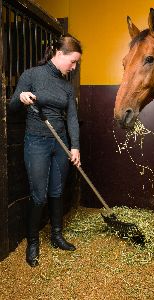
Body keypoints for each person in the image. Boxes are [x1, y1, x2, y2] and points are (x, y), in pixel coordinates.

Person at [10, 36, 82, 267]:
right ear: (59, 54)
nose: (74, 67)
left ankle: (57, 235)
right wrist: (20, 98)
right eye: (72, 61)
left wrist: (75, 146)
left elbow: (71, 118)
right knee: (39, 194)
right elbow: (12, 106)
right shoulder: (31, 75)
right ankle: (33, 243)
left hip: (60, 143)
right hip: (37, 142)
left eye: (76, 63)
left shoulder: (67, 86)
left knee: (56, 191)